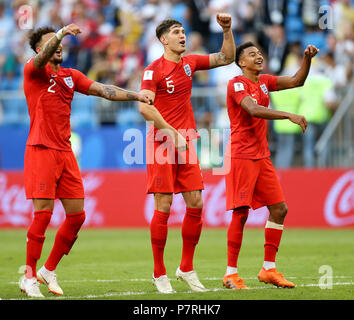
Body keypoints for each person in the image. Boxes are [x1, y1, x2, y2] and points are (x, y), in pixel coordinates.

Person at [20, 24, 152, 298]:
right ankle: (29, 276)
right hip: (41, 148)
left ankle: (48, 269)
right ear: (38, 49)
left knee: (77, 215)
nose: (59, 46)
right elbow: (42, 57)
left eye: (60, 42)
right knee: (43, 214)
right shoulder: (33, 71)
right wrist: (60, 33)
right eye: (51, 42)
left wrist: (136, 95)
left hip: (65, 152)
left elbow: (104, 90)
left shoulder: (71, 75)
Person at [138, 14, 236, 293]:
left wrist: (226, 30)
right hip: (161, 144)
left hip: (186, 143)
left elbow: (226, 58)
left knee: (196, 203)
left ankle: (187, 268)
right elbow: (145, 108)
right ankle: (159, 273)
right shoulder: (153, 70)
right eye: (176, 32)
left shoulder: (190, 64)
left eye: (184, 31)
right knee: (164, 206)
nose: (183, 35)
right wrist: (171, 133)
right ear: (163, 39)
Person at [223, 41, 318, 289]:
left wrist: (307, 59)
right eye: (252, 54)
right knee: (241, 212)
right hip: (241, 155)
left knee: (279, 209)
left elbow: (297, 80)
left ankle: (268, 269)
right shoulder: (237, 84)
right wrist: (288, 114)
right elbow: (252, 110)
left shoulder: (264, 81)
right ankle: (230, 273)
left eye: (260, 53)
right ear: (241, 62)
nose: (258, 56)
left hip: (262, 156)